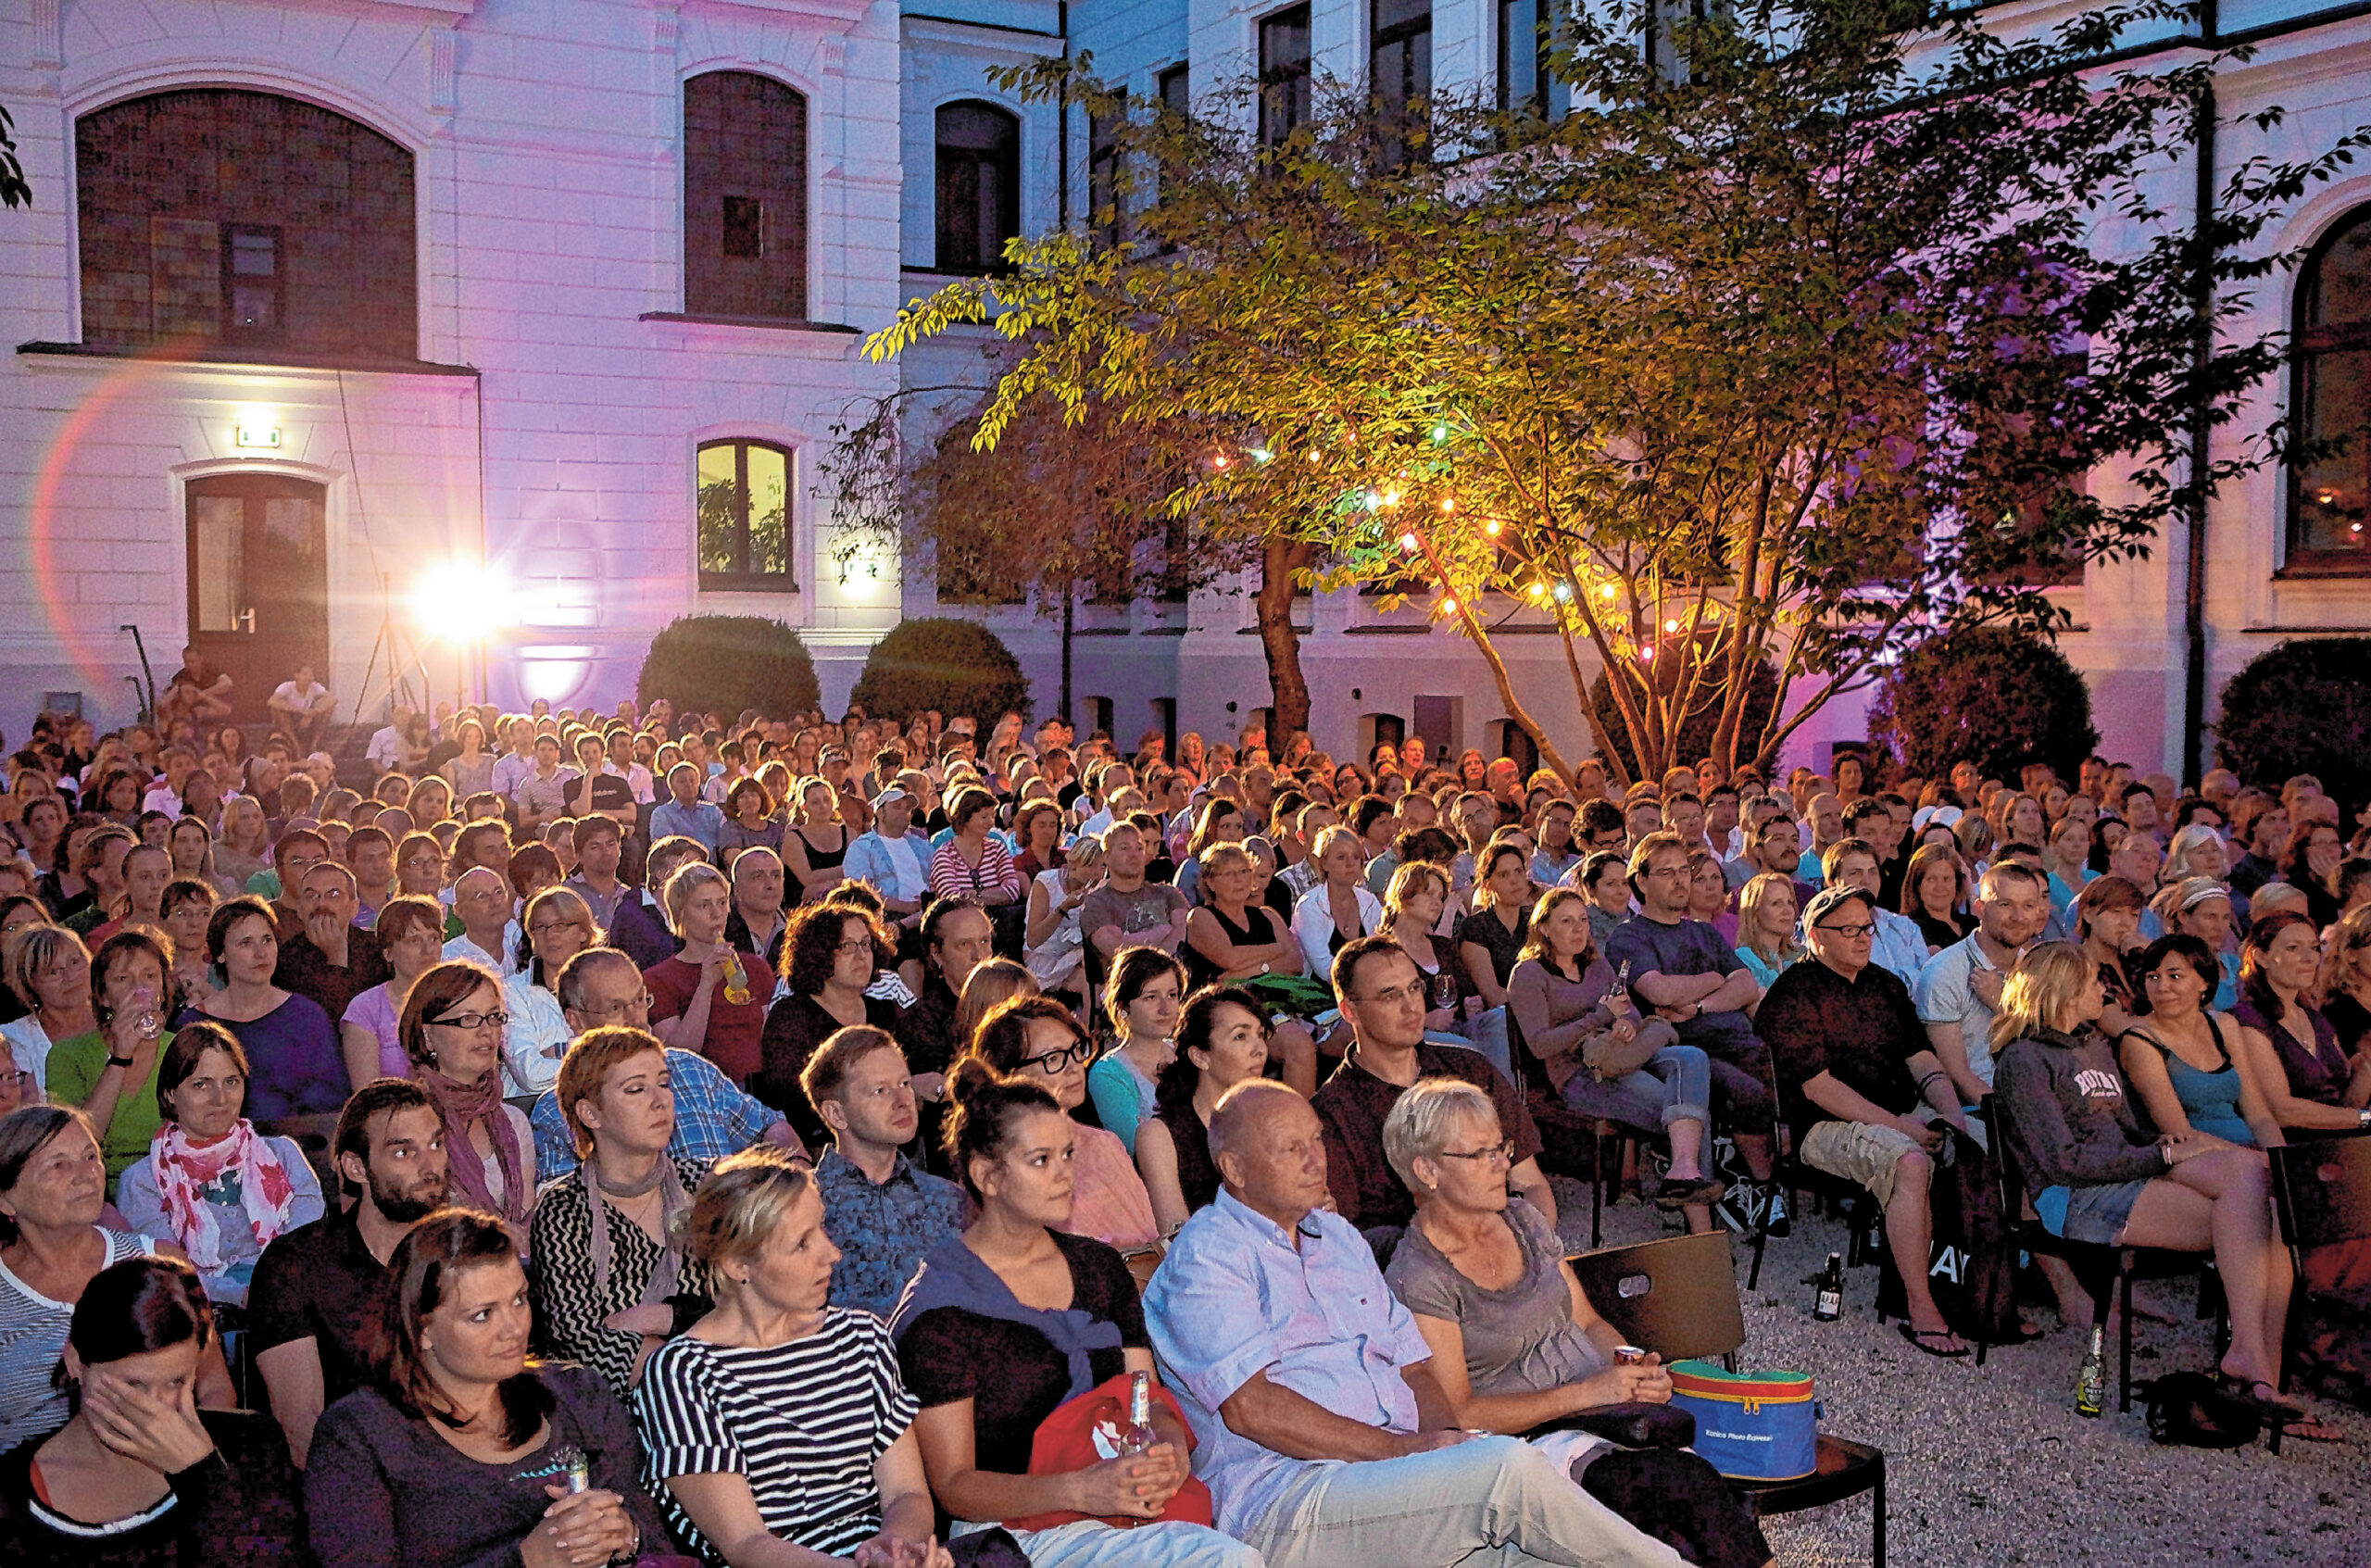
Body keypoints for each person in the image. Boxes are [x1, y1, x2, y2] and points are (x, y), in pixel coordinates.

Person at [1146, 1079, 1686, 1568]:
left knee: (1544, 1556)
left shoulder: (1337, 1240)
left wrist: (1444, 1442)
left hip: (1389, 1482)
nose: (1317, 1160)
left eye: (1317, 1141)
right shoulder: (1206, 1260)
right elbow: (1253, 1410)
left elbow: (1415, 1366)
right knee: (1509, 1470)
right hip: (1288, 1496)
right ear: (1235, 1169)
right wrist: (1402, 1452)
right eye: (1293, 1150)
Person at [1380, 1082, 1774, 1568]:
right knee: (1681, 1497)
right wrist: (1590, 1394)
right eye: (1481, 1154)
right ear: (1427, 1170)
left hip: (1609, 1419)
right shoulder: (1420, 1277)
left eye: (1500, 1146)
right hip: (1533, 1448)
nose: (1504, 1163)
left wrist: (1631, 1365)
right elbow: (1459, 1414)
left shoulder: (1523, 1221)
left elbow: (1586, 1320)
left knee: (1689, 1513)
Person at [891, 1061, 1261, 1568]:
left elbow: (1144, 1395)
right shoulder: (942, 1308)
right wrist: (1081, 1491)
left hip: (1120, 1504)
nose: (1065, 1172)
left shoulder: (1096, 1265)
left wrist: (1168, 1454)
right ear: (985, 1175)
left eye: (1067, 1153)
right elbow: (955, 1486)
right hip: (1015, 1532)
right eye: (1041, 1160)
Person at [1989, 944, 2332, 1440]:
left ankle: (2258, 1366)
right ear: (2063, 991)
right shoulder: (2024, 1060)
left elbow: (2130, 1133)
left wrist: (2167, 1146)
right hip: (2075, 1198)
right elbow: (2064, 1163)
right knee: (2254, 1208)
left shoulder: (2092, 1046)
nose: (2103, 991)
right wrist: (2163, 1157)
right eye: (2092, 983)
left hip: (2127, 1175)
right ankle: (2257, 1369)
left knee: (2258, 1185)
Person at [635, 1146, 956, 1568]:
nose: (831, 1254)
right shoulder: (685, 1373)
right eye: (802, 1244)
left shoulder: (859, 1337)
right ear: (737, 1265)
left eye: (821, 1229)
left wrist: (895, 1548)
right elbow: (747, 1546)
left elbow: (906, 1494)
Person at [302, 1210, 667, 1568]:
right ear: (422, 1329)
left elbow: (659, 1535)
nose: (514, 1328)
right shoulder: (360, 1434)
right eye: (483, 1314)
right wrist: (527, 1560)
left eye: (519, 1300)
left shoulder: (577, 1393)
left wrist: (626, 1536)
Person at [1761, 884, 1980, 1355]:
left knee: (1988, 1138)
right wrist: (1905, 1129)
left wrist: (1950, 1111)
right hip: (1822, 1127)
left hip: (1901, 1109)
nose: (1863, 938)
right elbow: (1819, 1088)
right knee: (1908, 1162)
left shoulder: (1885, 985)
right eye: (1848, 930)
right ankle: (1922, 1307)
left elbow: (1919, 1055)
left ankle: (1996, 1295)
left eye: (1867, 927)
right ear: (1815, 936)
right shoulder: (1794, 993)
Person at [0, 1254, 305, 1568]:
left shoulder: (252, 1447)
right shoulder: (11, 1501)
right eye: (134, 1384)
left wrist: (204, 1475)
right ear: (77, 1361)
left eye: (176, 1381)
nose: (156, 1406)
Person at [0, 1108, 232, 1449]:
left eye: (90, 1155)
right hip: (24, 1487)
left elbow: (214, 1388)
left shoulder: (160, 1264)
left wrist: (196, 1463)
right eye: (58, 1164)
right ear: (6, 1198)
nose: (85, 1174)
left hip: (161, 1470)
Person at [247, 1079, 448, 1467]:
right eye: (404, 1152)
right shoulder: (296, 1265)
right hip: (356, 1483)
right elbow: (302, 1430)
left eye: (436, 1145)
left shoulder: (463, 1255)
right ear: (356, 1166)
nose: (429, 1168)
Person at [1313, 937, 1553, 1249]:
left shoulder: (1471, 1072)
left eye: (1415, 988)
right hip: (1403, 1277)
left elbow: (1532, 1184)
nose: (1411, 1005)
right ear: (1350, 1011)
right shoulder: (1330, 1114)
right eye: (1390, 995)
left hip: (1501, 1250)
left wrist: (1528, 1253)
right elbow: (1345, 1243)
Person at [1504, 890, 1722, 1221]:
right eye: (1567, 922)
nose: (1579, 930)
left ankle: (1681, 1175)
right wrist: (1600, 1017)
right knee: (1689, 1114)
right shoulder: (1528, 974)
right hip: (1580, 1074)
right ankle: (1703, 1233)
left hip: (1623, 1053)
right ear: (1544, 928)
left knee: (1691, 1058)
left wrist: (1627, 1025)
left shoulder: (1596, 964)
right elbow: (1539, 1045)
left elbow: (1629, 1012)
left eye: (1583, 920)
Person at [528, 1026, 709, 1402]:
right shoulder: (564, 1211)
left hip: (731, 1391)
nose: (660, 1101)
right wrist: (697, 1362)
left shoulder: (706, 1187)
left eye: (663, 1083)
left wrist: (664, 1318)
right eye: (636, 1089)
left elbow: (754, 1298)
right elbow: (581, 1343)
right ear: (590, 1112)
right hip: (625, 1413)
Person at [1604, 834, 1779, 1218]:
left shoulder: (1702, 932)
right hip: (1686, 1052)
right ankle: (1763, 1186)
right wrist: (1716, 978)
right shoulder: (1629, 936)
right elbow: (1659, 990)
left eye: (1685, 871)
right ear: (1641, 882)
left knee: (1790, 1075)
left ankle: (1750, 1177)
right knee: (1751, 1091)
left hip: (1735, 1037)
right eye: (1668, 873)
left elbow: (1746, 984)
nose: (1681, 880)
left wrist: (1700, 1004)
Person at [530, 948, 800, 1181]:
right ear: (575, 1021)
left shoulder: (692, 1069)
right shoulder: (557, 1111)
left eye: (639, 1000)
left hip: (725, 1228)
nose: (635, 1019)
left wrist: (799, 1168)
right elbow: (565, 1206)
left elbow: (769, 1126)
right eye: (616, 1008)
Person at [115, 1023, 323, 1306]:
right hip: (199, 1311)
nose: (220, 1099)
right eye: (201, 1084)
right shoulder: (143, 1181)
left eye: (231, 1081)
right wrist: (237, 1295)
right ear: (169, 1094)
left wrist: (270, 1292)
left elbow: (306, 1248)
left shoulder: (283, 1155)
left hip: (291, 1296)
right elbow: (169, 1272)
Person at [965, 997, 1159, 1255]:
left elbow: (1150, 1234)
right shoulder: (1003, 1169)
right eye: (1053, 1058)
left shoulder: (1104, 1142)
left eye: (1076, 1050)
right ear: (1009, 1075)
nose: (1073, 1067)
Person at [804, 1025, 963, 1318]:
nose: (903, 1101)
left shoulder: (949, 1199)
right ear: (836, 1114)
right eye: (880, 1091)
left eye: (904, 1084)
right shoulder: (802, 1208)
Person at [175, 897, 349, 1123]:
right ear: (220, 954)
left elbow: (331, 1097)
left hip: (296, 1143)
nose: (261, 953)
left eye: (267, 940)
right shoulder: (193, 1024)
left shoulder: (307, 1017)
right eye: (246, 943)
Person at [401, 961, 536, 1228]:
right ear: (427, 1035)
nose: (486, 1031)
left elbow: (523, 1218)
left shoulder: (514, 1122)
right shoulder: (405, 1120)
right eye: (468, 1019)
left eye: (494, 1017)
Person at [755, 902, 903, 1147]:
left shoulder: (885, 1012)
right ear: (819, 953)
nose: (861, 955)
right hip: (820, 1145)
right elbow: (795, 1096)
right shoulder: (791, 1017)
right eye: (847, 946)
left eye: (866, 944)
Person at [2116, 935, 2279, 1150]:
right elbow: (2179, 1133)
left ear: (2204, 982)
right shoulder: (2139, 1040)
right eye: (2153, 977)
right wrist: (2257, 1159)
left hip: (2249, 1147)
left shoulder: (2224, 1026)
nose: (2162, 987)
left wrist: (2282, 1160)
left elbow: (2259, 1115)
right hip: (2199, 1157)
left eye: (2174, 976)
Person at [44, 928, 175, 1190]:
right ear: (103, 996)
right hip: (99, 1189)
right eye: (123, 978)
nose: (139, 989)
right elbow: (77, 1141)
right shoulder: (68, 1055)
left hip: (173, 1183)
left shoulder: (181, 1047)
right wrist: (120, 1056)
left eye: (149, 976)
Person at [1916, 859, 2049, 1117]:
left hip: (2037, 1105)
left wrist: (2003, 1006)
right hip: (1976, 1111)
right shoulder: (1944, 971)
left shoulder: (2039, 970)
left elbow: (2049, 1048)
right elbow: (1956, 1074)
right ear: (1979, 908)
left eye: (2028, 906)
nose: (2019, 917)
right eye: (2005, 904)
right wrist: (2011, 1118)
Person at [1135, 986, 1271, 1238]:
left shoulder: (1272, 1123)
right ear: (1200, 1057)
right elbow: (1178, 1239)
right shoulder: (1160, 1136)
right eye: (1240, 1037)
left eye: (1261, 1035)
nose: (1259, 1048)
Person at [2229, 909, 2371, 1135]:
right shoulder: (2248, 1019)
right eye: (2293, 948)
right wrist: (2365, 1118)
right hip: (2294, 1148)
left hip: (2340, 1142)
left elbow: (2344, 1104)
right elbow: (2282, 1110)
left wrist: (2364, 1069)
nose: (2309, 958)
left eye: (2314, 948)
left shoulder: (2315, 1018)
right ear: (2261, 957)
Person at [646, 862, 774, 1088]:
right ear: (681, 914)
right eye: (704, 905)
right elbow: (678, 1054)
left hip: (759, 1090)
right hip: (701, 1091)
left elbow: (770, 1040)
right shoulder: (659, 978)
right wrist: (705, 985)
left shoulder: (756, 968)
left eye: (722, 903)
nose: (716, 914)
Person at [338, 896, 445, 1088]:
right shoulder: (365, 1009)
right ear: (388, 953)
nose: (428, 949)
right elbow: (368, 1094)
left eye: (433, 939)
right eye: (414, 941)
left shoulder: (460, 999)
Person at [1086, 947, 1186, 1154]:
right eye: (1150, 997)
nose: (1165, 1009)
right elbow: (1136, 1148)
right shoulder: (1108, 1074)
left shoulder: (1189, 1054)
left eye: (1172, 995)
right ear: (1124, 1006)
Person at [503, 886, 599, 1096]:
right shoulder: (511, 992)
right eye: (540, 927)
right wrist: (598, 1056)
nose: (549, 935)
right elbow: (530, 1075)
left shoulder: (607, 984)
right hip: (534, 1111)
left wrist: (558, 1051)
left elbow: (630, 1048)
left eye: (560, 926)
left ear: (583, 932)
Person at [273, 860, 391, 1027]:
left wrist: (338, 954)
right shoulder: (284, 960)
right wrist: (336, 958)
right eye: (311, 895)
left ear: (354, 907)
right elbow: (324, 1024)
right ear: (299, 909)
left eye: (333, 894)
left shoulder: (378, 951)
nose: (321, 903)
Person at [0, 925, 94, 1101]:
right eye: (52, 971)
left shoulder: (120, 1018)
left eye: (74, 962)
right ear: (30, 984)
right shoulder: (13, 1039)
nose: (69, 976)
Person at [1080, 822, 1189, 960]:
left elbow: (1183, 934)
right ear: (1106, 856)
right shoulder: (1095, 903)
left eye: (1139, 848)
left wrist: (1137, 944)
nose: (1134, 854)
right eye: (1125, 848)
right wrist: (1162, 931)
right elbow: (1115, 949)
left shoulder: (1168, 894)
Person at [1291, 826, 1385, 971]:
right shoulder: (1309, 905)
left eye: (1355, 856)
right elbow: (1323, 968)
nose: (1351, 864)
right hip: (1321, 988)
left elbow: (1380, 953)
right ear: (1324, 863)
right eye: (1341, 857)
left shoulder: (1369, 902)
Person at [1022, 833, 1103, 998]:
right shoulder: (1046, 882)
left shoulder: (1100, 889)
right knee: (1091, 983)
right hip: (1045, 956)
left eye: (1102, 866)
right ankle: (1088, 1025)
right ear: (1073, 865)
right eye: (1091, 866)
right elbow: (1033, 940)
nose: (1097, 873)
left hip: (1079, 954)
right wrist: (1063, 908)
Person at [721, 846, 790, 972]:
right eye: (758, 877)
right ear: (737, 890)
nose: (770, 885)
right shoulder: (719, 934)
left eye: (776, 876)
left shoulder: (796, 934)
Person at [1730, 871, 1801, 990]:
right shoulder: (1744, 959)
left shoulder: (1799, 955)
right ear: (1755, 912)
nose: (1788, 910)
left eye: (1789, 903)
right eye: (1776, 904)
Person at [1901, 842, 1970, 952]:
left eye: (1946, 879)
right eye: (1931, 879)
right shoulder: (1909, 931)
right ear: (1917, 885)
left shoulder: (1972, 925)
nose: (1940, 887)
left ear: (1957, 883)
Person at [266, 667, 333, 755]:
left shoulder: (314, 687)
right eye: (305, 674)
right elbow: (271, 701)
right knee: (277, 709)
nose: (308, 678)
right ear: (296, 675)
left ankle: (314, 744)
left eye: (311, 675)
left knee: (327, 707)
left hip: (307, 721)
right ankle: (296, 745)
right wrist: (301, 711)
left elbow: (332, 699)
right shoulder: (287, 686)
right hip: (289, 722)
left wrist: (313, 712)